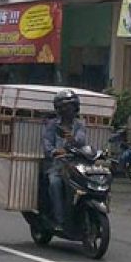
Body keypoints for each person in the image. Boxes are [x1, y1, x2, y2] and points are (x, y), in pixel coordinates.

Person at [41, 89, 87, 232]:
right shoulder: (52, 125)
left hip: (75, 166)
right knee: (55, 184)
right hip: (57, 167)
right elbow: (47, 144)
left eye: (72, 106)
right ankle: (59, 220)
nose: (69, 110)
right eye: (66, 107)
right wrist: (55, 151)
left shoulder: (79, 125)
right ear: (59, 109)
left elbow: (81, 140)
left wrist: (73, 141)